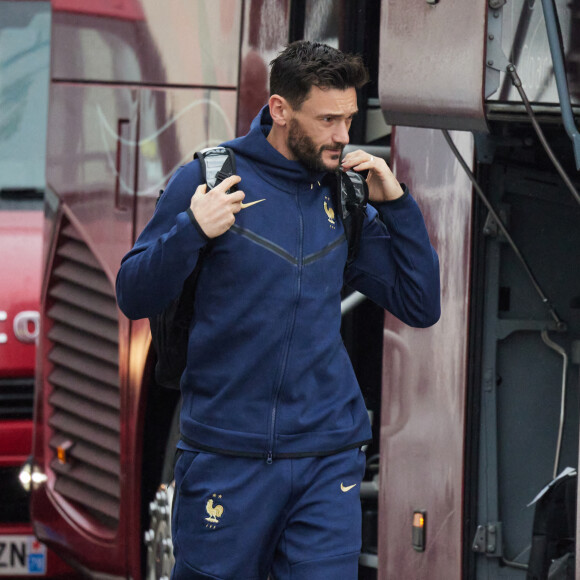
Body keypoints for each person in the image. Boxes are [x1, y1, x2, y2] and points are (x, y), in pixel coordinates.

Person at [116, 40, 440, 580]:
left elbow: (421, 303)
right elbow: (133, 294)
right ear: (280, 109)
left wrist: (398, 204)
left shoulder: (347, 198)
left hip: (327, 457)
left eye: (349, 118)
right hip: (225, 455)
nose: (343, 135)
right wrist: (192, 231)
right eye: (328, 119)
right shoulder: (208, 180)